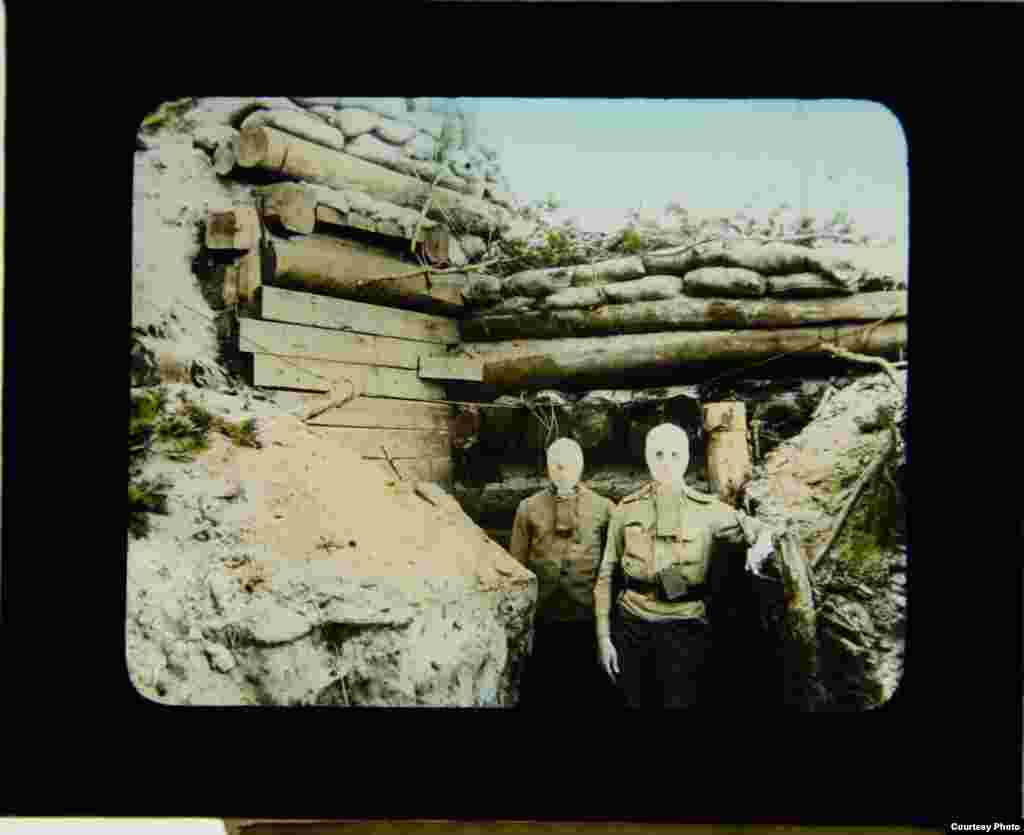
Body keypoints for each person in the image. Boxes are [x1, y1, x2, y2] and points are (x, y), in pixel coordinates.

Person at [594, 422, 776, 710]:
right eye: (658, 454)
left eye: (674, 455)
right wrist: (604, 638)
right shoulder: (626, 510)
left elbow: (761, 529)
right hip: (632, 625)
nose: (666, 463)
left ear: (688, 457)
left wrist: (759, 549)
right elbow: (605, 576)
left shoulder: (709, 510)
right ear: (647, 457)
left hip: (685, 627)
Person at [510, 438, 621, 710]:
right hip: (546, 618)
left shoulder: (604, 508)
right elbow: (517, 567)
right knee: (546, 691)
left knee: (590, 691)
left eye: (569, 464)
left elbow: (613, 566)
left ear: (581, 466)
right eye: (556, 465)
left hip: (587, 618)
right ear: (547, 468)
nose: (562, 470)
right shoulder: (528, 508)